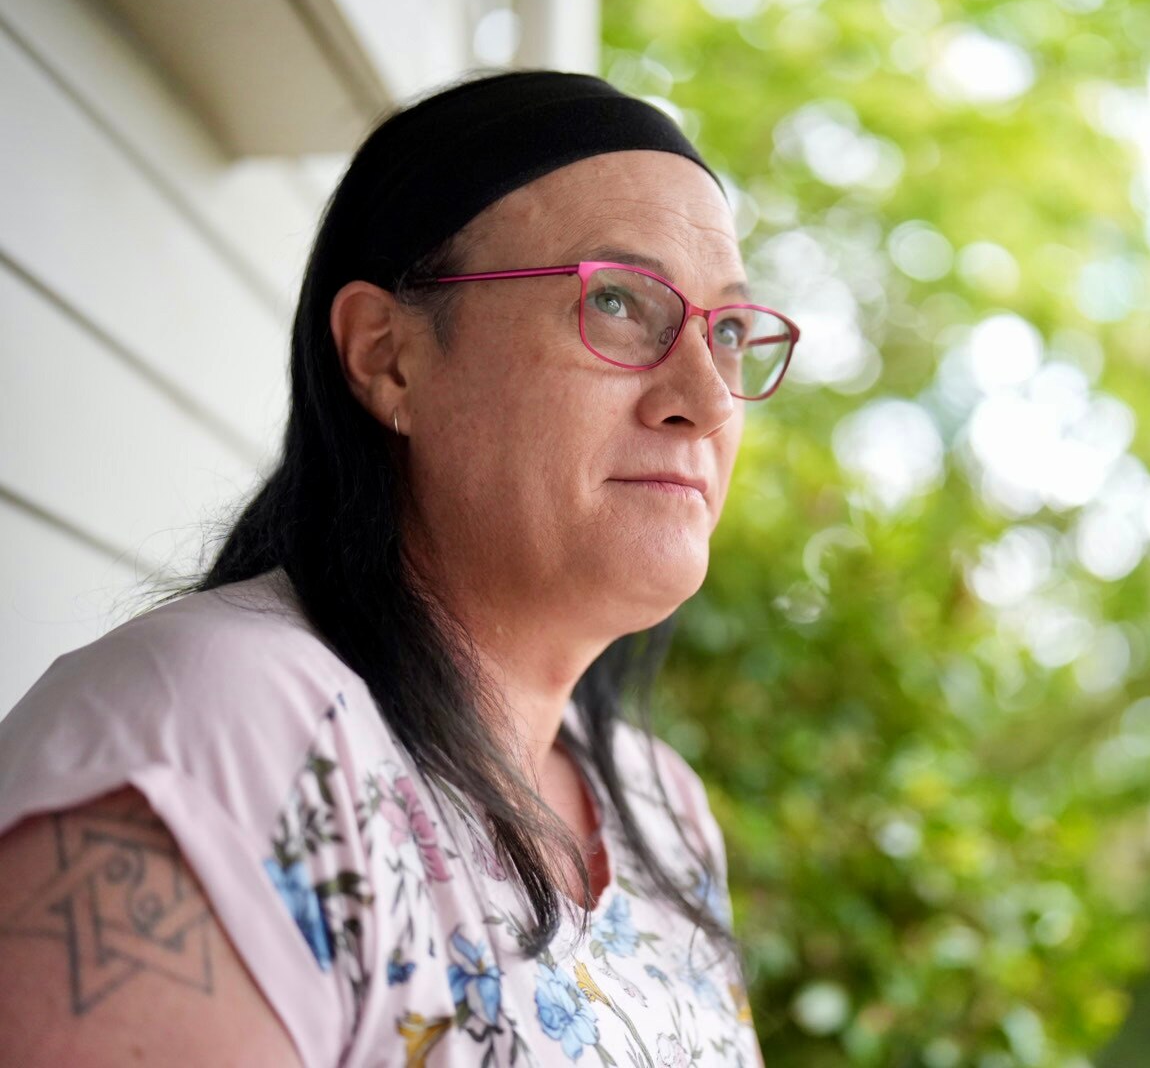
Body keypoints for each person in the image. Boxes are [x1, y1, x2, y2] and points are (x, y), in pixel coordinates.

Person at [0, 70, 798, 1066]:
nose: (708, 398)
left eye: (725, 331)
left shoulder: (662, 812)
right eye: (621, 305)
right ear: (386, 357)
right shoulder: (210, 733)